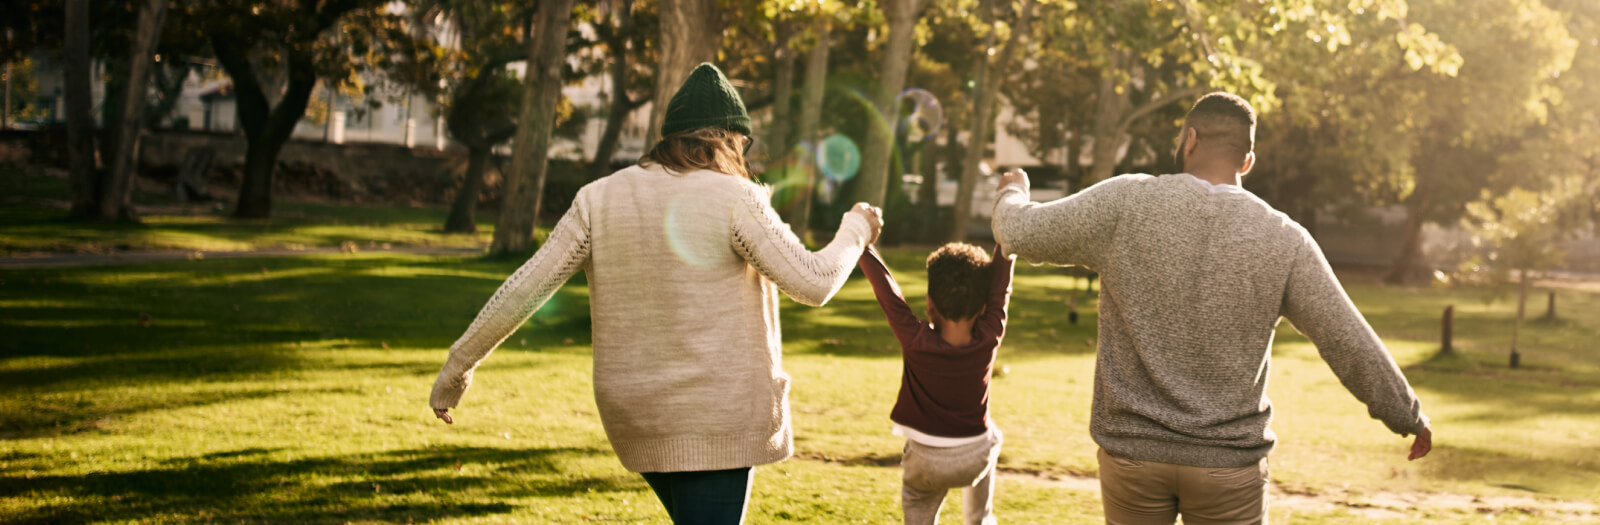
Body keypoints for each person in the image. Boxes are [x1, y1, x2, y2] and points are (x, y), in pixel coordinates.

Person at [428, 63, 884, 524]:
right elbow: (813, 282)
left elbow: (526, 287)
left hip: (636, 416)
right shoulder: (735, 198)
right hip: (713, 420)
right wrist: (856, 228)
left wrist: (457, 368)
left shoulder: (597, 198)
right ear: (728, 139)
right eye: (741, 145)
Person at [989, 92, 1433, 525]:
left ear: (1190, 138)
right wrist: (1406, 414)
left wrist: (1013, 192)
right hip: (1228, 467)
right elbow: (1345, 336)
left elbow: (1019, 233)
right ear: (1247, 162)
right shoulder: (1283, 237)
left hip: (1134, 459)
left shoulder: (1125, 202)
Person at [858, 242, 1014, 525]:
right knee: (992, 436)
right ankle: (980, 520)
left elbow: (886, 290)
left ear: (930, 305)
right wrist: (1007, 234)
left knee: (918, 504)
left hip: (925, 463)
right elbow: (1001, 286)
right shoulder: (990, 334)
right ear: (982, 308)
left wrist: (863, 242)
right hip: (975, 458)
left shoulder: (915, 340)